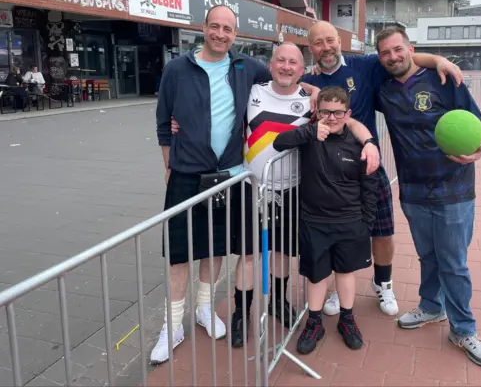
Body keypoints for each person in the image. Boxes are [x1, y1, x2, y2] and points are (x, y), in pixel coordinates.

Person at [170, 42, 379, 348]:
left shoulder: (312, 101)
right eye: (280, 60)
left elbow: (348, 120)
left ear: (301, 68)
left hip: (292, 190)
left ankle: (278, 302)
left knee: (282, 252)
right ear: (270, 64)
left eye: (293, 62)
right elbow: (215, 111)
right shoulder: (252, 92)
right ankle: (242, 312)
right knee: (250, 255)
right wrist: (180, 124)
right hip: (250, 185)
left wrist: (370, 141)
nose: (286, 66)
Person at [153, 5, 308, 364]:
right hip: (187, 173)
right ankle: (172, 325)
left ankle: (206, 308)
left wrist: (313, 92)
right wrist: (168, 165)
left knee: (218, 248)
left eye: (228, 29)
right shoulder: (177, 69)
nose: (221, 34)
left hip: (231, 174)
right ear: (204, 28)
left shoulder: (246, 67)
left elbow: (286, 79)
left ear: (236, 34)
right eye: (215, 27)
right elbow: (164, 123)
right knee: (180, 255)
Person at [303, 21, 465, 317]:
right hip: (329, 175)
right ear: (310, 47)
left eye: (330, 40)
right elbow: (281, 80)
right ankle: (339, 290)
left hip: (369, 167)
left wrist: (440, 60)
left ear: (339, 41)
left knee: (383, 231)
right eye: (318, 43)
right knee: (338, 233)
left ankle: (383, 284)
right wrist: (307, 85)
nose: (325, 48)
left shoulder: (364, 65)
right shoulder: (306, 78)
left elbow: (405, 59)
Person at [374, 26, 481, 367]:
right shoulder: (382, 90)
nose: (393, 57)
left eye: (398, 49)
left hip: (454, 189)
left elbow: (472, 126)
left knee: (453, 262)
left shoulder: (443, 79)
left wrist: (476, 150)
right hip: (412, 188)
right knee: (428, 255)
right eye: (386, 53)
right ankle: (431, 306)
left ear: (410, 48)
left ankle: (463, 328)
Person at [273, 86, 377, 354]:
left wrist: (365, 222)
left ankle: (348, 319)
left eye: (338, 113)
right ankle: (314, 321)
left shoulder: (358, 144)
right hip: (314, 220)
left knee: (345, 271)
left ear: (348, 113)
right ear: (317, 112)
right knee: (317, 274)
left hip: (350, 219)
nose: (332, 118)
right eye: (326, 112)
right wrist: (309, 131)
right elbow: (278, 143)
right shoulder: (309, 137)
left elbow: (370, 186)